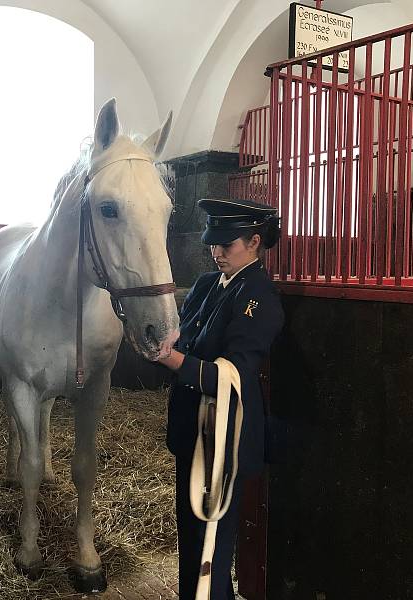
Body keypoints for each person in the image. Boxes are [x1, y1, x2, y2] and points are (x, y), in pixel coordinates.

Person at [157, 198, 284, 599]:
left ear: (254, 242)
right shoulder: (208, 284)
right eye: (213, 243)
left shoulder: (259, 299)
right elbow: (184, 333)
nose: (216, 252)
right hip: (192, 431)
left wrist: (173, 359)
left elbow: (231, 375)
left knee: (212, 539)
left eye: (226, 245)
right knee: (192, 537)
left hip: (224, 437)